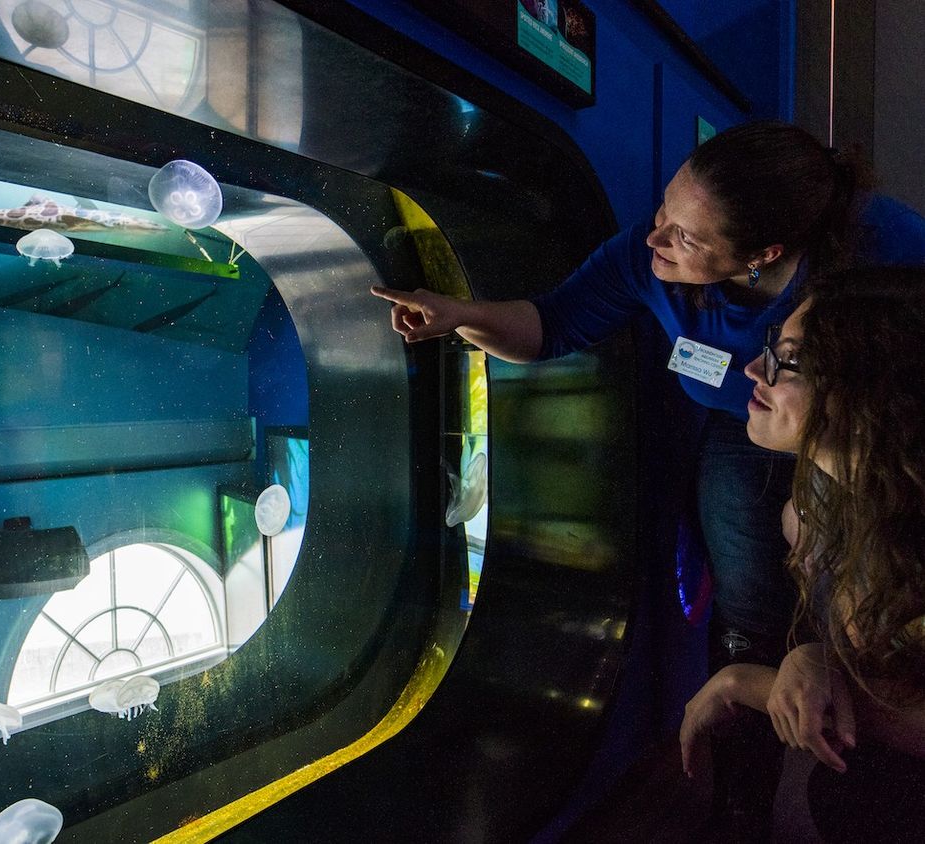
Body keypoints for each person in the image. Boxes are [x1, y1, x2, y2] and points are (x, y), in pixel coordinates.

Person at [372, 120, 925, 835]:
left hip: (866, 438)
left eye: (685, 237)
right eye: (664, 213)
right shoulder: (654, 257)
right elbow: (552, 322)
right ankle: (743, 797)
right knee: (756, 597)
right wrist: (459, 316)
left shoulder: (883, 253)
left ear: (762, 254)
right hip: (757, 423)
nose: (656, 238)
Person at [679, 266, 925, 841]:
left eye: (787, 360)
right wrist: (815, 656)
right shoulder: (818, 484)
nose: (754, 369)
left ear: (868, 394)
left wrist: (747, 683)